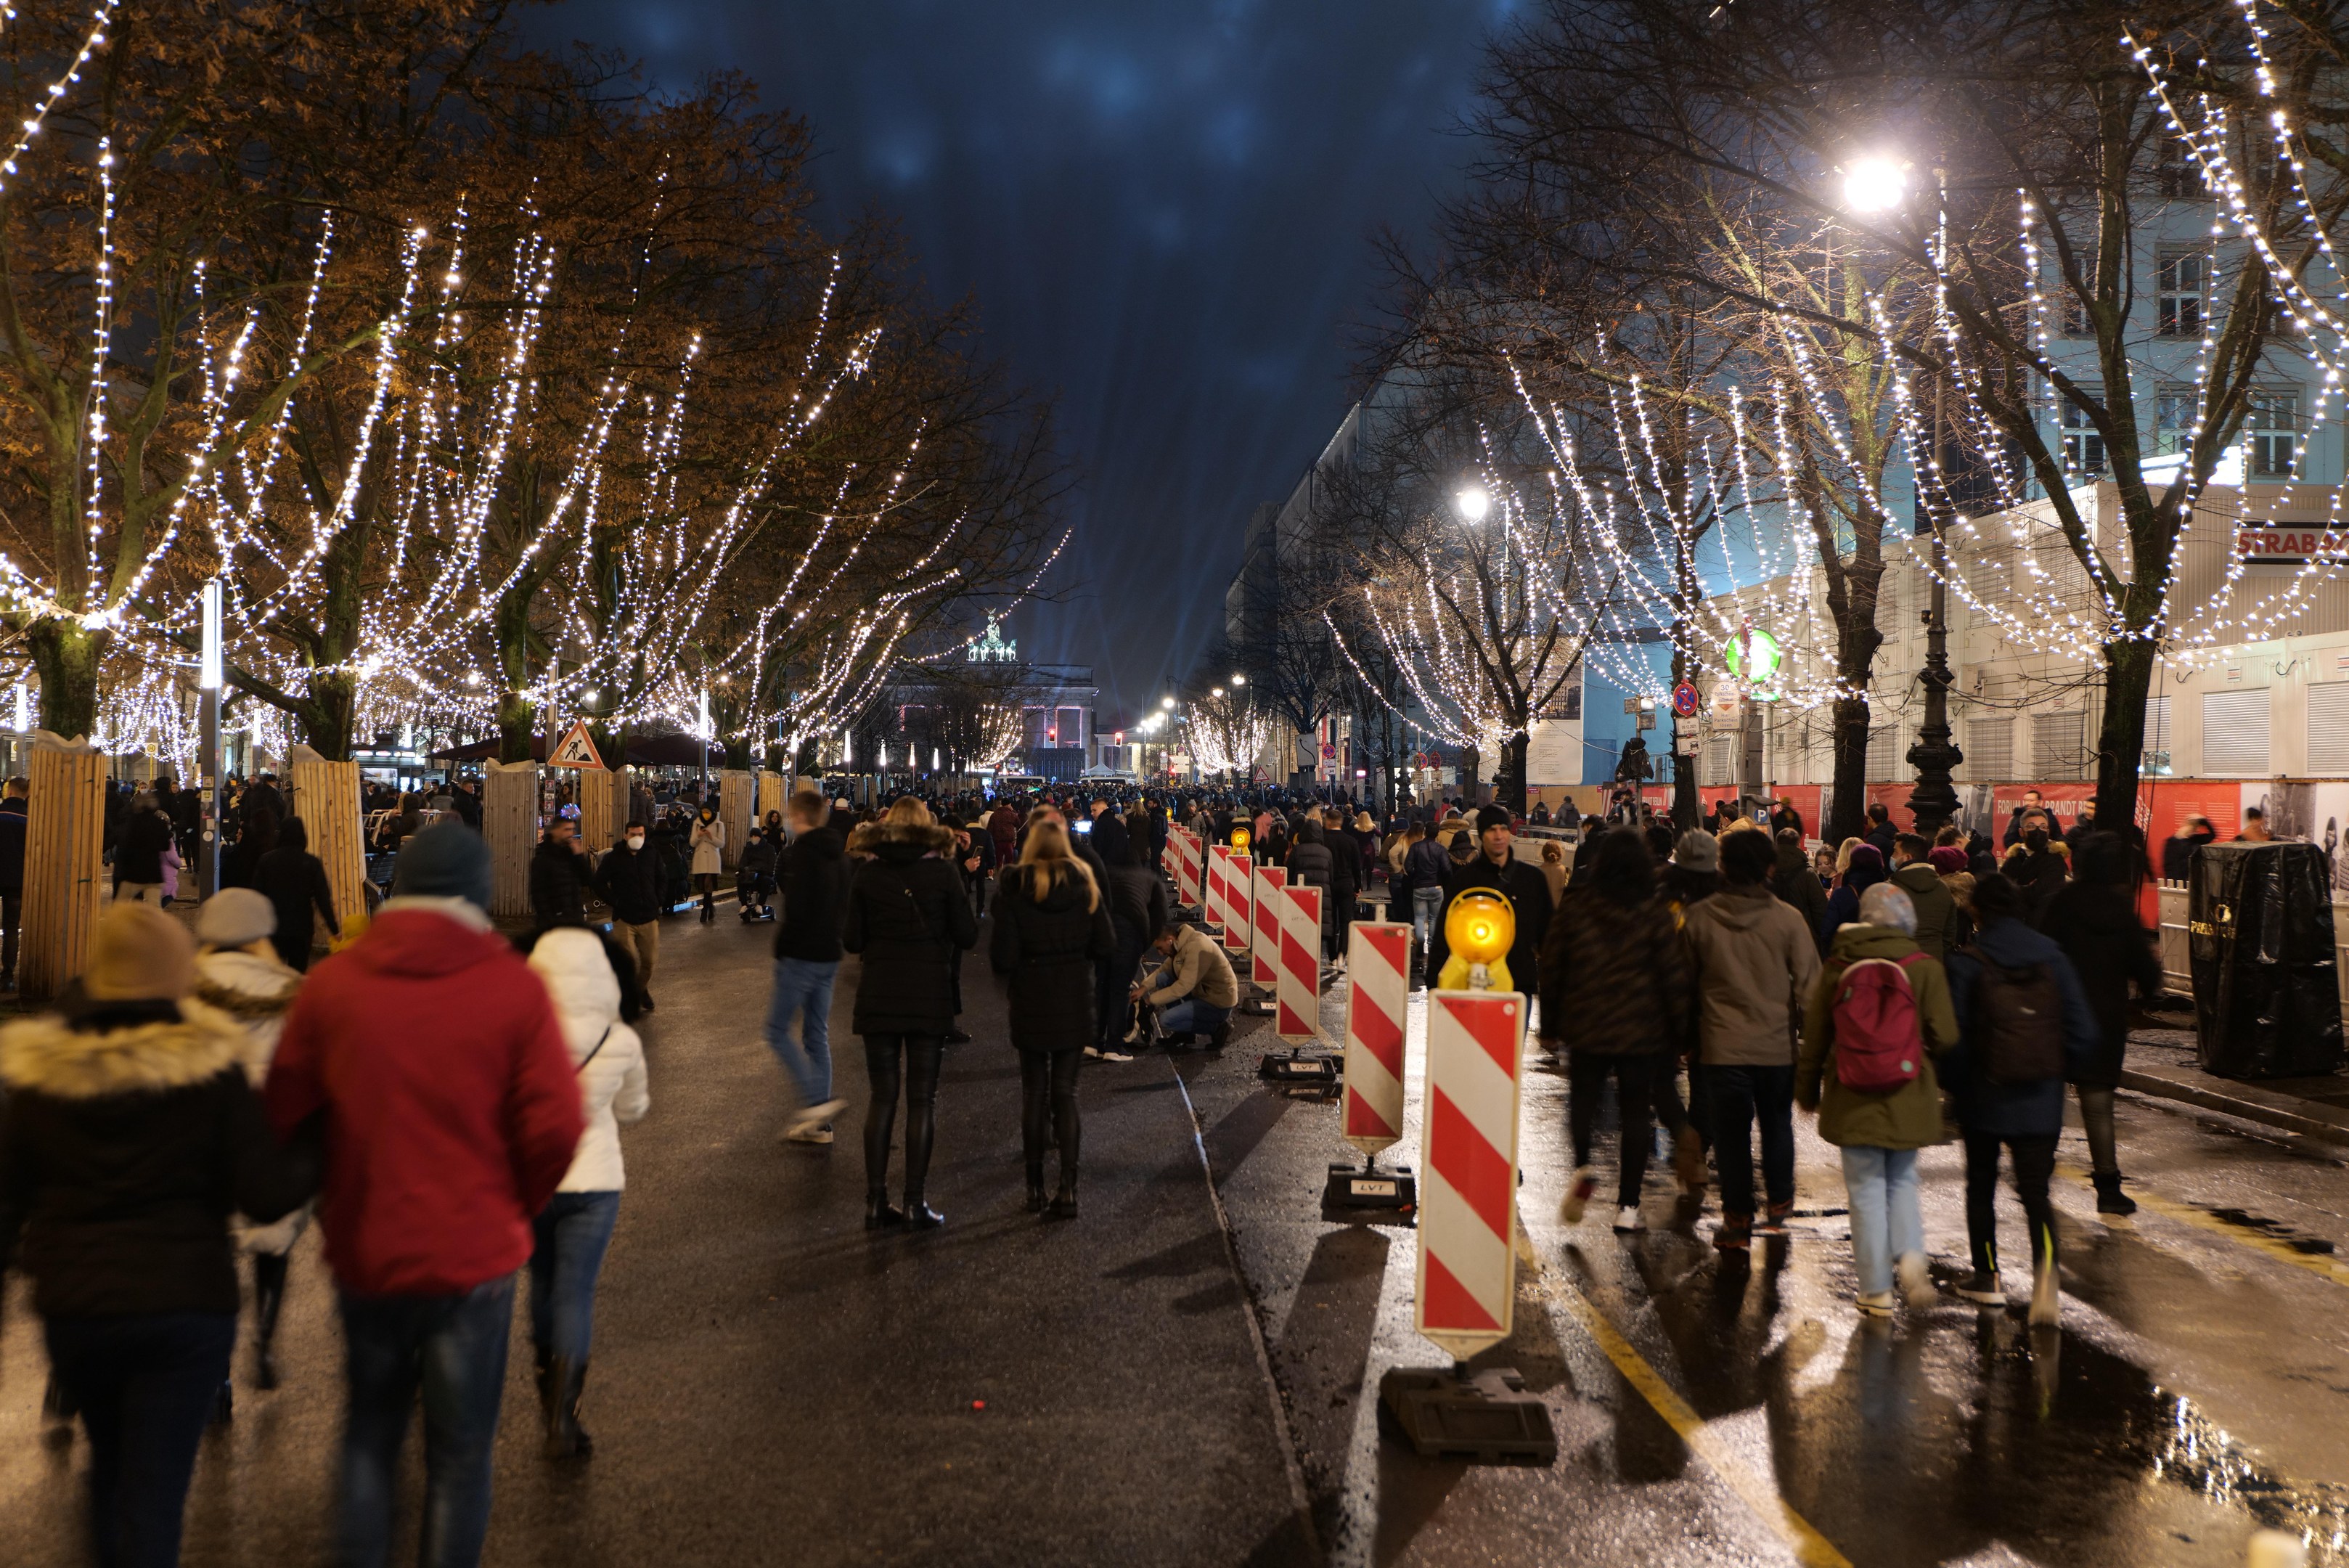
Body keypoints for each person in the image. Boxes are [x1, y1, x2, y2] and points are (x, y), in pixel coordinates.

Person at [266, 821, 584, 1568]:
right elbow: (555, 1127)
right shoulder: (513, 986)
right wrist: (514, 1206)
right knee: (460, 1455)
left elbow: (283, 1111)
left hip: (367, 1249)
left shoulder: (334, 985)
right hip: (473, 1257)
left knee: (370, 1434)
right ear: (476, 894)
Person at [0, 902, 311, 1568]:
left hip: (77, 1310)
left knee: (110, 1466)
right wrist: (322, 1135)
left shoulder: (37, 1075)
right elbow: (265, 1195)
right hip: (183, 1305)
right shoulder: (208, 1069)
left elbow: (8, 1201)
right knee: (155, 1491)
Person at [1796, 882, 1958, 1318]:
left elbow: (1815, 1039)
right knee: (1902, 1179)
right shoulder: (1924, 967)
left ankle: (1875, 1291)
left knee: (1865, 1190)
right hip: (1907, 1089)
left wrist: (1807, 1091)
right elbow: (1946, 1037)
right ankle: (1910, 1257)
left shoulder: (1840, 964)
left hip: (1851, 1090)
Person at [1945, 872, 2099, 1323]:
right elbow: (2084, 1032)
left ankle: (1987, 1276)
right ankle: (2046, 1281)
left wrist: (1959, 1085)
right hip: (2041, 1098)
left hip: (1984, 1097)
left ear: (1976, 911)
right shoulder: (2053, 958)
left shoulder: (1968, 961)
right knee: (2036, 1193)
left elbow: (1953, 1039)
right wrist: (2054, 1069)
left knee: (1981, 1189)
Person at [523, 928, 649, 1459]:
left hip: (532, 1183)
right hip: (595, 1184)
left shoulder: (519, 1037)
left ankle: (545, 1391)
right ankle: (564, 1420)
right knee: (575, 1293)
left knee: (542, 1284)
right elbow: (633, 1111)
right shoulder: (619, 1040)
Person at [1540, 831, 1688, 1232]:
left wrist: (1549, 1026)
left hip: (1586, 1022)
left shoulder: (1578, 906)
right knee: (1636, 1113)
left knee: (1583, 1101)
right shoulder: (1654, 911)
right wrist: (1680, 1035)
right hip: (1641, 1028)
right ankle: (1628, 1206)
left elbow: (1553, 966)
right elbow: (1673, 976)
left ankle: (1584, 1165)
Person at [1681, 828, 1822, 1250]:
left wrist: (1684, 1039)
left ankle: (1737, 1220)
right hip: (1776, 1047)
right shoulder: (1788, 920)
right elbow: (1812, 989)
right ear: (1770, 869)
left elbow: (1682, 986)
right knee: (1777, 1126)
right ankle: (1779, 1204)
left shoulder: (1700, 919)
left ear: (1723, 866)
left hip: (1721, 1047)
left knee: (1732, 1136)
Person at [841, 799, 977, 1230]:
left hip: (880, 992)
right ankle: (915, 1200)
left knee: (882, 1098)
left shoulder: (868, 873)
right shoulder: (943, 872)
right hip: (928, 996)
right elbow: (968, 935)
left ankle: (875, 1200)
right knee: (923, 1099)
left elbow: (853, 940)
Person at [193, 889, 308, 1390]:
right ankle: (263, 1339)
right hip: (268, 1135)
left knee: (210, 1250)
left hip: (203, 1139)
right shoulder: (290, 990)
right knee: (271, 1244)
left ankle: (215, 1375)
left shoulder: (183, 989)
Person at [2034, 833, 2163, 1221]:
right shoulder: (2123, 913)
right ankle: (2108, 1188)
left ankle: (2038, 1171)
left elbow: (2040, 953)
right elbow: (2148, 974)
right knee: (2098, 1105)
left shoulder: (2059, 903)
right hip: (2104, 1020)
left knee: (2050, 1099)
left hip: (2058, 1014)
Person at [992, 819, 1116, 1217]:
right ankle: (1068, 1188)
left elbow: (1003, 957)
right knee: (1066, 1093)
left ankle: (1033, 1189)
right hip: (1073, 998)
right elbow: (1107, 943)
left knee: (1034, 1093)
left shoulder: (1016, 890)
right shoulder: (1083, 886)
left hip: (1031, 999)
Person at [1431, 806, 1553, 1005]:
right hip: (1468, 986)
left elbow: (1550, 940)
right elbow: (1444, 935)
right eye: (1491, 829)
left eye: (1503, 828)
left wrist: (1551, 1012)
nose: (1498, 835)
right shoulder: (1464, 881)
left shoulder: (1532, 879)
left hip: (1518, 985)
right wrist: (1434, 987)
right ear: (1481, 835)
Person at [1097, 816, 1167, 1059]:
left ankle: (1095, 1041)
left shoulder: (1102, 872)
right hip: (1129, 937)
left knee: (1101, 987)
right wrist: (1143, 945)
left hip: (1103, 934)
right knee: (1119, 991)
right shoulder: (1146, 879)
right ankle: (1114, 1046)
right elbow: (1159, 917)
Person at [253, 815, 340, 972]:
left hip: (273, 926)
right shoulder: (311, 863)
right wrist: (334, 929)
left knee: (273, 972)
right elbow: (323, 899)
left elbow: (257, 896)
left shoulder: (266, 860)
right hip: (301, 927)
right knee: (298, 973)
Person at [1137, 917, 1238, 1048]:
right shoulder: (1180, 944)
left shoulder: (1197, 947)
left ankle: (1218, 1028)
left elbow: (1183, 987)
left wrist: (1150, 1000)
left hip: (1218, 1002)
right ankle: (1185, 1034)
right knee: (1163, 978)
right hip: (1204, 992)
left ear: (1169, 940)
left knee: (1167, 1020)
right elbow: (1165, 969)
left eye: (1160, 948)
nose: (1160, 953)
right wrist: (1144, 987)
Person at [595, 821, 663, 1008]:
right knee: (629, 961)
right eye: (633, 834)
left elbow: (662, 878)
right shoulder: (614, 858)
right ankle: (632, 997)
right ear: (625, 836)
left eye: (640, 834)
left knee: (649, 962)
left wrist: (657, 901)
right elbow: (599, 883)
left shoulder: (651, 854)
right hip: (625, 919)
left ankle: (640, 990)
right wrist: (615, 901)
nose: (637, 838)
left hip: (649, 917)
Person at [1888, 832, 1958, 963]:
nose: (1892, 857)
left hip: (1899, 964)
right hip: (1933, 963)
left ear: (1907, 857)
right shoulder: (1943, 889)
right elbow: (1950, 933)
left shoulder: (1890, 890)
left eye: (1895, 853)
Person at [1770, 827, 1830, 955]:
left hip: (1771, 936)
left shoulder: (1766, 870)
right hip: (1801, 936)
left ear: (1777, 843)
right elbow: (1820, 908)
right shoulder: (1807, 873)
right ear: (1798, 845)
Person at [113, 791, 176, 902]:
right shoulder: (158, 823)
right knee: (155, 907)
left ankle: (118, 920)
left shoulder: (133, 821)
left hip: (134, 873)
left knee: (120, 904)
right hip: (153, 873)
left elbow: (125, 845)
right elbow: (165, 846)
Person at [530, 814, 590, 931]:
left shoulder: (572, 855)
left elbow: (587, 880)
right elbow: (538, 893)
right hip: (553, 924)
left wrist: (579, 856)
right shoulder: (543, 857)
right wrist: (550, 920)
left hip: (574, 920)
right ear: (555, 831)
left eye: (573, 829)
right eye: (567, 829)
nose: (571, 833)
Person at [0, 775, 26, 988]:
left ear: (9, 791)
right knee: (11, 927)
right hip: (17, 879)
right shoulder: (30, 818)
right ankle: (7, 976)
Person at [688, 802, 726, 923]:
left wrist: (711, 837)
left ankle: (704, 911)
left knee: (708, 884)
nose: (706, 815)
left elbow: (721, 843)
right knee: (702, 886)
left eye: (708, 812)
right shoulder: (697, 823)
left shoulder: (719, 825)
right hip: (700, 858)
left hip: (712, 858)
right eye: (704, 812)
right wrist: (699, 836)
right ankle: (710, 906)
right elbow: (692, 843)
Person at [737, 825, 778, 921]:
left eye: (756, 836)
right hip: (750, 873)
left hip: (763, 874)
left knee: (766, 881)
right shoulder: (748, 847)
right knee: (740, 879)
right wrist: (743, 869)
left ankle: (760, 904)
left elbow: (771, 864)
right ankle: (744, 905)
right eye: (752, 836)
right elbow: (743, 861)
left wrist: (762, 870)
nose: (754, 838)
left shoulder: (769, 848)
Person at [2162, 813, 2217, 881]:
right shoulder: (2172, 842)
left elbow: (2213, 835)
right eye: (2192, 826)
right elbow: (2169, 865)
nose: (2194, 829)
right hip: (2178, 882)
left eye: (2195, 827)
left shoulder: (2195, 839)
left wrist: (2204, 820)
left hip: (2193, 880)